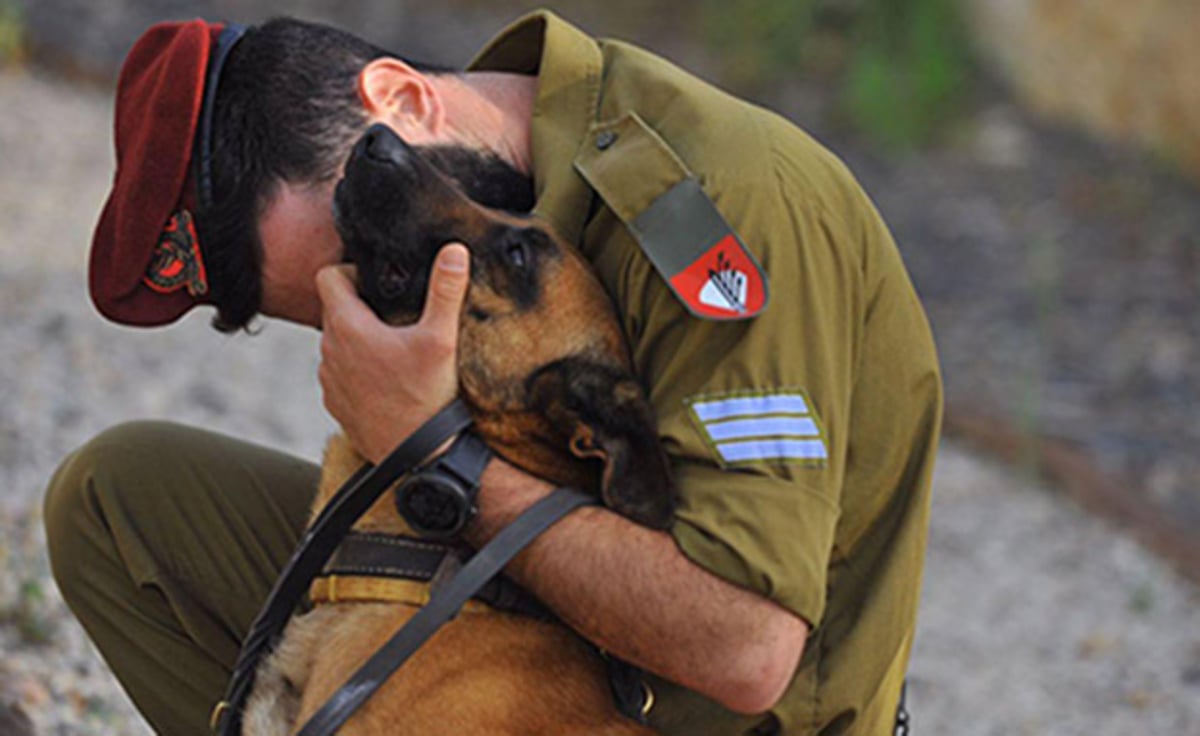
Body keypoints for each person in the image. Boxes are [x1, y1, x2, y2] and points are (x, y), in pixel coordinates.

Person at [44, 11, 941, 735]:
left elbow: (747, 651)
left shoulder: (718, 206)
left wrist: (436, 458)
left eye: (378, 274)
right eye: (335, 317)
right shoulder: (510, 180)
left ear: (398, 97)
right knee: (121, 500)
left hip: (688, 710)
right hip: (517, 618)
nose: (367, 329)